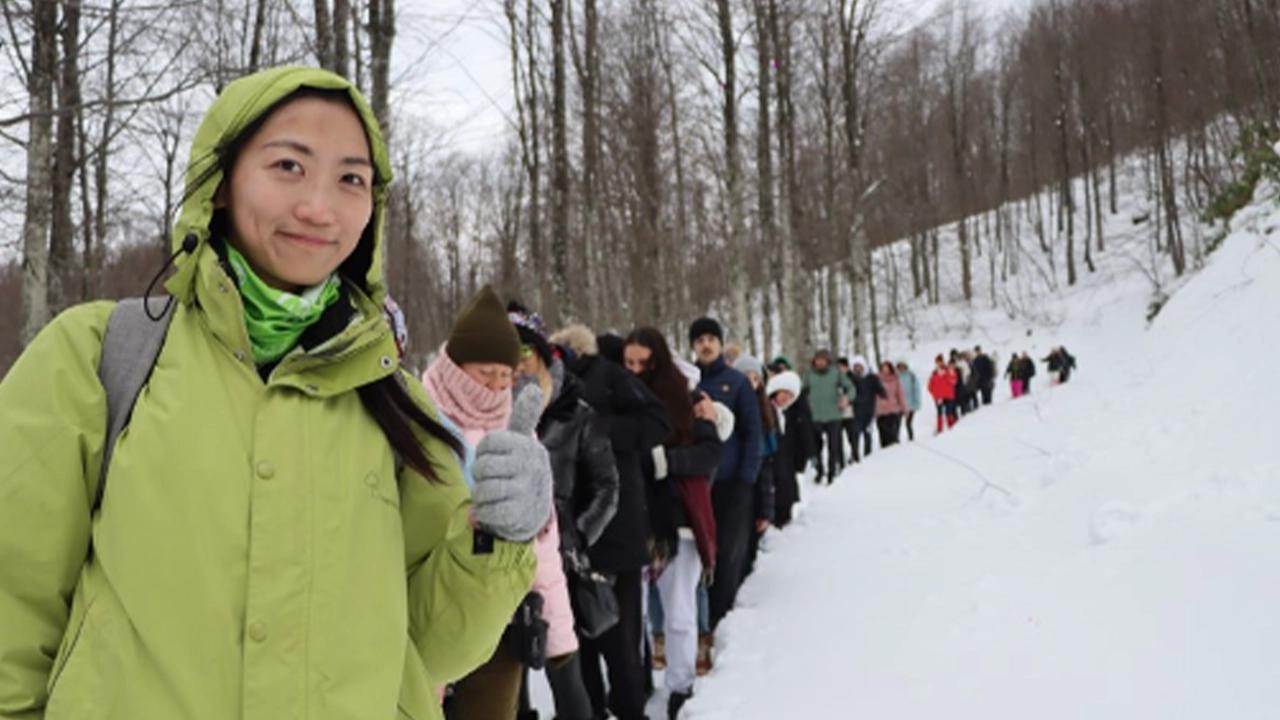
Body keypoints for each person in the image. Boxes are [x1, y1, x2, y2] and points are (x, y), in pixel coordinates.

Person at [0, 67, 547, 720]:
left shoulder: (393, 402)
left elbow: (431, 648)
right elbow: (13, 610)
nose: (319, 207)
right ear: (222, 181)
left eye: (351, 179)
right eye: (289, 165)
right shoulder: (97, 356)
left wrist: (499, 541)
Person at [422, 287, 553, 720]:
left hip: (502, 600)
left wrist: (561, 633)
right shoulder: (417, 415)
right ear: (458, 369)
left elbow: (543, 539)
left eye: (506, 375)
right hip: (427, 600)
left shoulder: (518, 428)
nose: (498, 386)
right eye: (487, 373)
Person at [549, 324, 671, 720]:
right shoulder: (549, 387)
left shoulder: (611, 376)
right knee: (574, 641)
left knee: (620, 639)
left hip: (618, 524)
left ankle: (631, 708)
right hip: (569, 533)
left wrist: (600, 430)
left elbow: (658, 421)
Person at [509, 303, 620, 720]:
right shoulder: (489, 408)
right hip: (502, 559)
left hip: (560, 561)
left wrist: (578, 534)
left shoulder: (576, 411)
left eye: (524, 351)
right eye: (508, 352)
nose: (516, 364)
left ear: (541, 353)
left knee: (568, 673)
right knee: (507, 673)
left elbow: (608, 486)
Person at [623, 328, 723, 720]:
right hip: (633, 520)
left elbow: (710, 450)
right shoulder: (621, 399)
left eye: (643, 364)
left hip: (679, 518)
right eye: (628, 363)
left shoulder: (688, 399)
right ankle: (639, 677)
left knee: (680, 611)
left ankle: (680, 684)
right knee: (635, 614)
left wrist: (667, 462)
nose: (635, 371)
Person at [686, 317, 762, 634]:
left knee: (729, 551)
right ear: (693, 346)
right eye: (699, 339)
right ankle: (698, 619)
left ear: (719, 344)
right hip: (696, 484)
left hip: (732, 482)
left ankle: (722, 618)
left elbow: (752, 432)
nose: (706, 345)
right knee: (701, 553)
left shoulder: (737, 382)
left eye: (711, 339)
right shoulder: (687, 383)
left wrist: (747, 479)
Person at [733, 355, 776, 579]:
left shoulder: (765, 410)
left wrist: (766, 509)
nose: (751, 382)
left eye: (755, 378)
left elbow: (768, 462)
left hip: (756, 478)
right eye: (745, 377)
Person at [765, 370, 813, 528]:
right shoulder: (767, 410)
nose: (786, 398)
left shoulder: (789, 414)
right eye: (784, 393)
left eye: (790, 396)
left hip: (786, 467)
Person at [803, 349, 854, 484]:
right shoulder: (809, 375)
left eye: (823, 360)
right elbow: (801, 390)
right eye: (817, 360)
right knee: (815, 447)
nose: (820, 363)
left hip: (833, 416)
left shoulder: (836, 374)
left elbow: (851, 388)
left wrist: (846, 399)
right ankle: (820, 471)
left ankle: (832, 473)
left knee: (834, 446)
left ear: (828, 361)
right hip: (815, 416)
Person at [848, 357, 885, 461]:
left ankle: (867, 455)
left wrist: (883, 393)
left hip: (869, 410)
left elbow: (879, 390)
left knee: (867, 434)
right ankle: (855, 456)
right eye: (855, 367)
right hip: (855, 411)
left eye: (860, 367)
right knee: (855, 435)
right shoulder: (850, 378)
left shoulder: (871, 378)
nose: (858, 369)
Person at [874, 361, 908, 448]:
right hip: (881, 412)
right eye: (883, 369)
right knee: (884, 436)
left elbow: (900, 394)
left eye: (887, 368)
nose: (885, 371)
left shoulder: (895, 379)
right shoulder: (876, 380)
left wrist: (904, 408)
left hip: (894, 411)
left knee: (893, 436)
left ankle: (895, 454)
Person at [929, 354, 960, 434]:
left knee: (948, 412)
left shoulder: (949, 370)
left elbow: (954, 381)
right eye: (937, 362)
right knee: (939, 413)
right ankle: (940, 429)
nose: (939, 363)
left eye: (940, 361)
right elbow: (930, 385)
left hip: (948, 395)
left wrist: (948, 374)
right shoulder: (934, 372)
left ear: (943, 361)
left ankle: (952, 427)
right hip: (939, 396)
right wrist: (934, 393)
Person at [896, 361, 922, 441]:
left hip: (910, 404)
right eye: (900, 367)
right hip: (899, 405)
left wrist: (917, 402)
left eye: (903, 366)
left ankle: (911, 438)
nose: (901, 369)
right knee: (897, 423)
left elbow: (917, 390)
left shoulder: (911, 376)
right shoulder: (895, 376)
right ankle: (896, 440)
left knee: (908, 423)